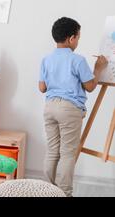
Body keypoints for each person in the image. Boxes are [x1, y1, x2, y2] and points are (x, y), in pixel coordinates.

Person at [39, 17, 108, 196]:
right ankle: (64, 193)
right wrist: (99, 68)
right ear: (71, 38)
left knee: (53, 150)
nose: (78, 41)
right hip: (69, 109)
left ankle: (48, 189)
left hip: (49, 107)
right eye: (78, 37)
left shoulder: (46, 59)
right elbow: (90, 86)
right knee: (68, 153)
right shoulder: (77, 60)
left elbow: (42, 87)